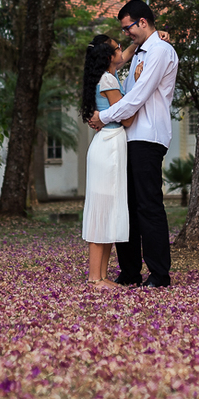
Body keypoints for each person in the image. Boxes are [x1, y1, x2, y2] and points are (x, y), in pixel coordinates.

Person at [88, 0, 178, 289]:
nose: (125, 33)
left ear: (142, 22)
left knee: (148, 206)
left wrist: (103, 116)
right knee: (125, 206)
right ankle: (129, 272)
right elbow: (124, 88)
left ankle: (159, 274)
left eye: (128, 27)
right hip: (128, 139)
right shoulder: (141, 52)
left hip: (148, 137)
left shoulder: (161, 51)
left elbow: (137, 98)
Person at [79, 34, 134, 289]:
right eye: (118, 47)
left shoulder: (103, 76)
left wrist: (137, 45)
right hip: (110, 145)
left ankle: (101, 276)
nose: (122, 50)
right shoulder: (109, 79)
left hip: (107, 144)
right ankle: (95, 278)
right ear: (110, 55)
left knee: (106, 210)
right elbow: (126, 119)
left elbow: (125, 57)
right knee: (102, 210)